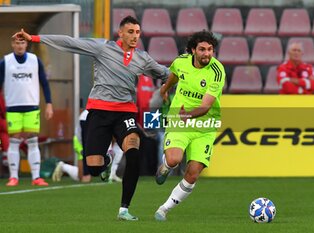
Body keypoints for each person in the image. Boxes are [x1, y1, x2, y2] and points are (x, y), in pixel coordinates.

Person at [14, 15, 169, 220]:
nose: (134, 36)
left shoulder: (143, 58)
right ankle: (107, 159)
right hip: (99, 112)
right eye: (130, 32)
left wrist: (181, 77)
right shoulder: (102, 48)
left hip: (125, 113)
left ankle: (124, 209)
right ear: (120, 33)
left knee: (133, 152)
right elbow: (70, 42)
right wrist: (34, 38)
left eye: (138, 32)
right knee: (94, 168)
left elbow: (166, 73)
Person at [154, 30, 225, 221]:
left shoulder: (217, 71)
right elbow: (175, 74)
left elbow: (205, 106)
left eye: (210, 49)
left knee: (193, 174)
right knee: (175, 159)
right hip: (179, 117)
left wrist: (189, 115)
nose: (207, 54)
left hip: (205, 126)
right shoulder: (181, 61)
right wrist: (165, 88)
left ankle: (164, 209)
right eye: (202, 49)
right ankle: (166, 165)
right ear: (193, 50)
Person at [0, 36, 53, 187]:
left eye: (22, 42)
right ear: (12, 44)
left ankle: (36, 177)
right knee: (14, 141)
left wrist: (49, 103)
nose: (20, 45)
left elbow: (44, 83)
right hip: (13, 107)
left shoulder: (35, 61)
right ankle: (13, 177)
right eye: (17, 43)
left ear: (26, 44)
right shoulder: (6, 62)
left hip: (31, 107)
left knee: (32, 141)